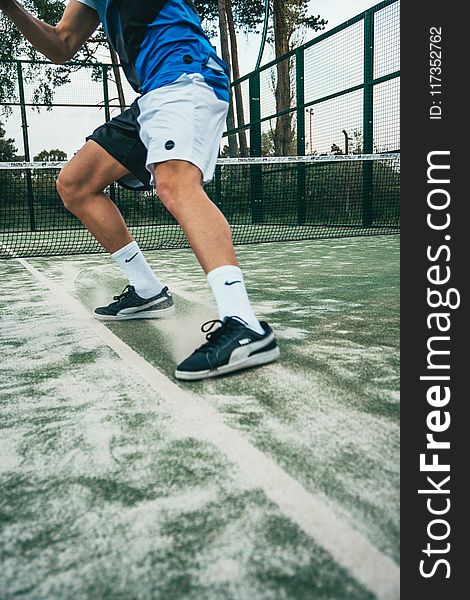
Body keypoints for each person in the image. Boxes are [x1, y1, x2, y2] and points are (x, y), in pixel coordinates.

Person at [0, 0, 279, 380]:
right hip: (152, 94)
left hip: (186, 75)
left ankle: (243, 322)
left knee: (176, 184)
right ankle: (147, 290)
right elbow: (61, 44)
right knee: (75, 184)